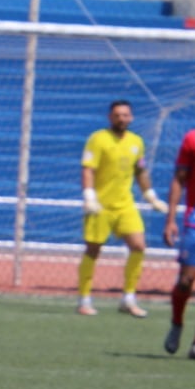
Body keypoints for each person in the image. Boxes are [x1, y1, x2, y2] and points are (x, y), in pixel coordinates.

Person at [77, 100, 167, 317]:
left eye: (126, 115)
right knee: (93, 250)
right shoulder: (98, 139)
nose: (121, 119)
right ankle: (85, 299)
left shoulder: (136, 142)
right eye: (117, 115)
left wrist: (150, 196)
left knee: (139, 246)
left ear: (132, 118)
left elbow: (140, 171)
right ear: (110, 117)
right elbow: (88, 169)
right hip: (101, 206)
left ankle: (128, 298)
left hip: (125, 205)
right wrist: (89, 196)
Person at [160, 125, 195, 357]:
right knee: (186, 281)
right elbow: (179, 179)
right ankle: (177, 323)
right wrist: (170, 219)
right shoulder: (194, 139)